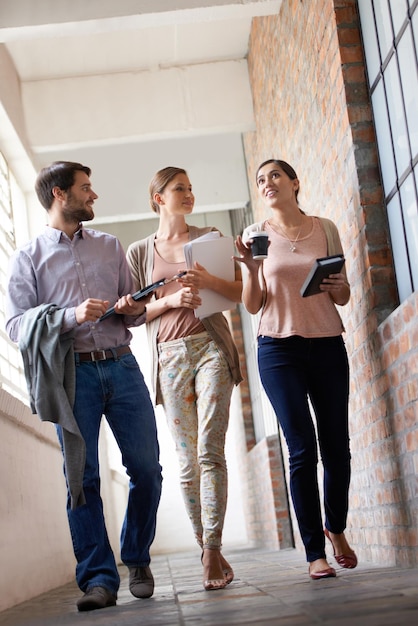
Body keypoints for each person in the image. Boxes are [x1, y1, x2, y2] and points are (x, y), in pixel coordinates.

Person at [5, 161, 163, 611]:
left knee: (148, 470)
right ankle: (98, 579)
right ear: (60, 194)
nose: (93, 196)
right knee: (82, 478)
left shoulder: (110, 247)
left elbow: (132, 313)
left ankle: (137, 556)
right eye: (85, 188)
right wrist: (71, 316)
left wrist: (134, 305)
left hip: (122, 366)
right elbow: (16, 326)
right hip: (72, 375)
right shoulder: (29, 257)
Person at [235, 159, 357, 580]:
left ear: (294, 183)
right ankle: (314, 553)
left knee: (336, 447)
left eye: (274, 176)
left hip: (326, 344)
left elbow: (340, 293)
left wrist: (341, 286)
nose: (267, 183)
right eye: (260, 179)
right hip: (277, 350)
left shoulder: (325, 228)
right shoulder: (255, 235)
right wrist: (250, 270)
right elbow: (253, 305)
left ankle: (335, 526)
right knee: (301, 449)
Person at [126, 166, 243, 591]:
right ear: (159, 197)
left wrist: (208, 281)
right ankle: (207, 544)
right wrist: (172, 298)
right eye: (180, 189)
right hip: (169, 357)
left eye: (191, 188)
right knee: (187, 463)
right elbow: (134, 314)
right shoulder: (140, 252)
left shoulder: (209, 235)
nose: (189, 194)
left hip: (211, 347)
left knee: (210, 449)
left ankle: (211, 549)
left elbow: (235, 293)